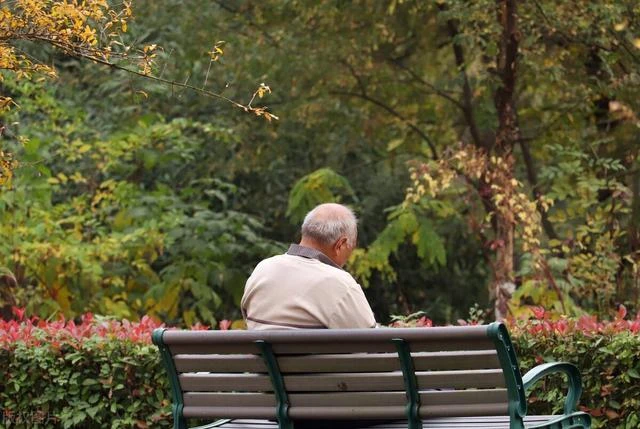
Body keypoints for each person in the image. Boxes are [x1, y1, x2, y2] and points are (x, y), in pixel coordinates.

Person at [241, 203, 377, 330]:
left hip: (263, 355)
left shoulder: (263, 269)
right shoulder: (340, 284)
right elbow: (373, 341)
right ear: (340, 244)